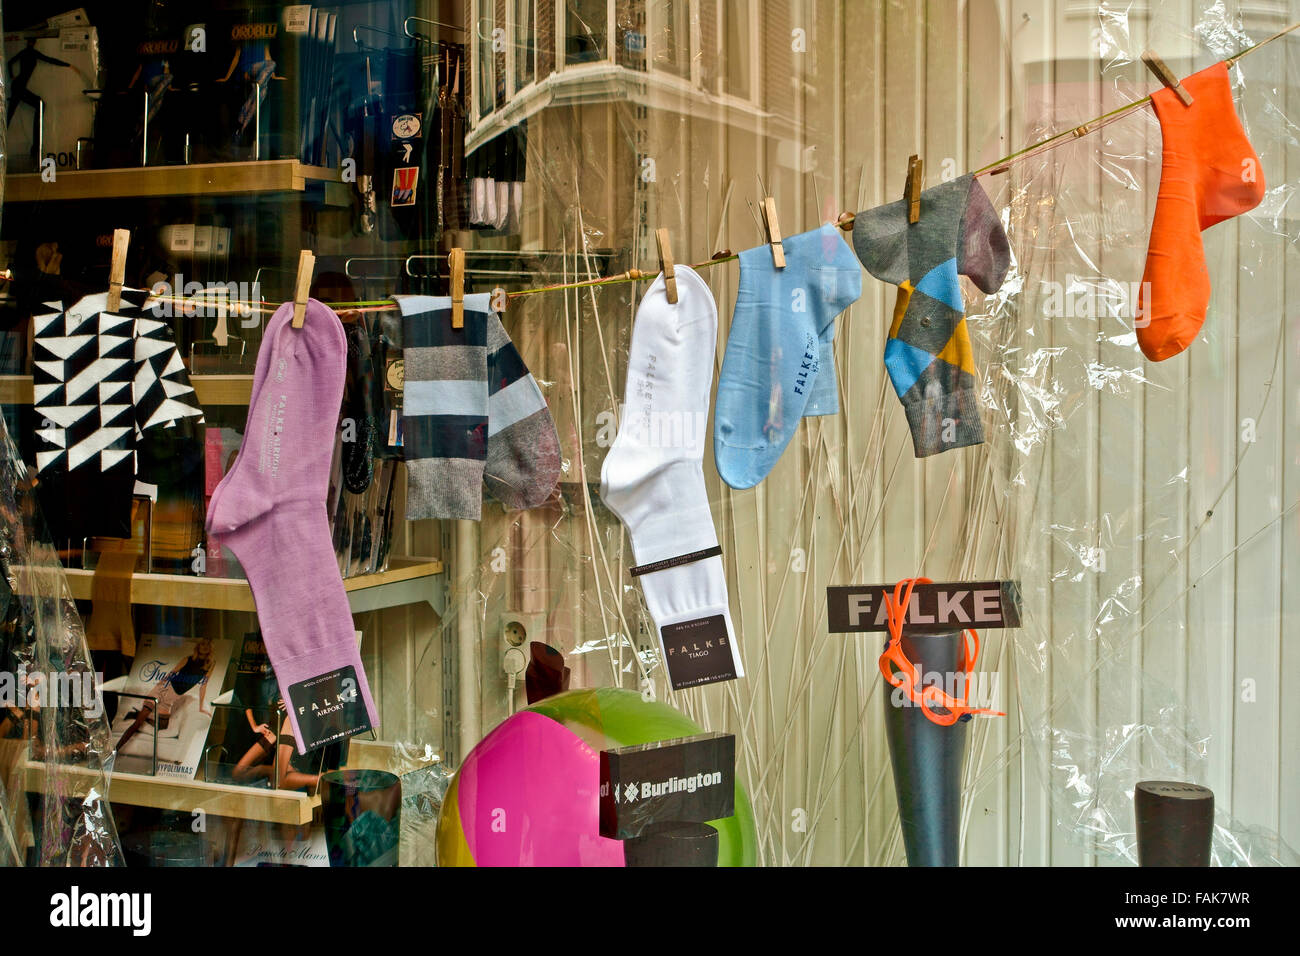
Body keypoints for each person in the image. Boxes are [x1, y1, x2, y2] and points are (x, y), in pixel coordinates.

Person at [114, 637, 216, 754]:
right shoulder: (187, 659)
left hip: (171, 699)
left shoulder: (209, 666)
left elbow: (203, 686)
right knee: (137, 724)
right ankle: (115, 750)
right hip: (162, 691)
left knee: (162, 727)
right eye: (202, 644)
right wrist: (156, 689)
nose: (204, 647)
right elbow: (171, 673)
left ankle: (135, 714)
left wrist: (201, 707)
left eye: (207, 645)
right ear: (198, 646)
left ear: (210, 649)